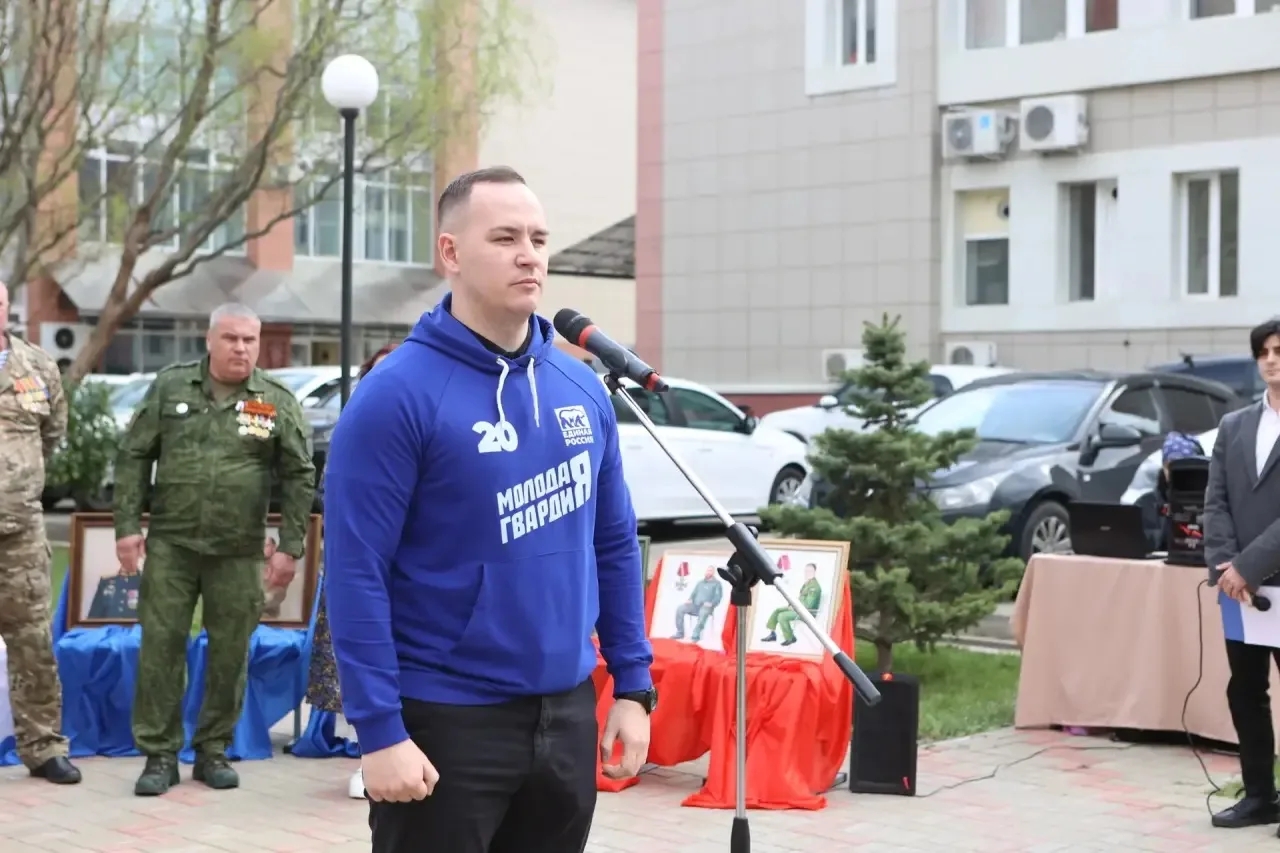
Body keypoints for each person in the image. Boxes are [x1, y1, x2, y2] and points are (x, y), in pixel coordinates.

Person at [324, 166, 655, 853]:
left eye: (538, 238)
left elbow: (614, 543)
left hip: (566, 713)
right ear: (450, 252)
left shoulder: (580, 387)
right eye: (505, 238)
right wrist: (379, 730)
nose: (529, 255)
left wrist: (632, 684)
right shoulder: (396, 395)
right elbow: (355, 572)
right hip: (446, 720)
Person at [114, 302, 316, 797]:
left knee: (230, 653)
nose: (241, 348)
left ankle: (213, 750)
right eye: (231, 338)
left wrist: (290, 547)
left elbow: (298, 474)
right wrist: (127, 526)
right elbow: (135, 455)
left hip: (239, 551)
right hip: (173, 545)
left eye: (249, 340)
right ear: (209, 340)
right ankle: (160, 755)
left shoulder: (274, 400)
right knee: (161, 649)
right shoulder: (171, 387)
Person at [305, 342, 399, 800]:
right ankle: (369, 756)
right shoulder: (352, 432)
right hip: (363, 571)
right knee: (359, 665)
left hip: (415, 578)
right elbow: (329, 500)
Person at [0, 280, 81, 785]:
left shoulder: (37, 367)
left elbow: (51, 435)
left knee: (32, 642)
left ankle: (43, 747)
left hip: (21, 533)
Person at [1205, 317, 1280, 832]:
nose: (1271, 360)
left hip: (1263, 578)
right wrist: (1228, 568)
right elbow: (1215, 502)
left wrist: (1249, 566)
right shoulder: (1234, 425)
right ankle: (1259, 796)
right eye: (1263, 352)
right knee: (1245, 690)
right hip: (1239, 590)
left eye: (1279, 350)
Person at [760, 563, 822, 646]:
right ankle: (772, 634)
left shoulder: (814, 587)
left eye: (810, 571)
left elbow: (809, 605)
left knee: (782, 616)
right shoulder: (807, 584)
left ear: (814, 572)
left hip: (807, 613)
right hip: (799, 609)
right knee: (777, 611)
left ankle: (790, 638)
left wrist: (795, 607)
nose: (807, 573)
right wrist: (792, 604)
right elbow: (801, 598)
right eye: (806, 571)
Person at [671, 566, 723, 643]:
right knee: (680, 608)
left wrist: (711, 603)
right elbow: (694, 593)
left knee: (703, 612)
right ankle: (680, 633)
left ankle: (695, 635)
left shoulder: (717, 584)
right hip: (695, 606)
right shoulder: (700, 583)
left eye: (710, 571)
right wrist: (690, 599)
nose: (708, 572)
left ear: (713, 573)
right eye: (707, 570)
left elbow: (718, 597)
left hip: (706, 607)